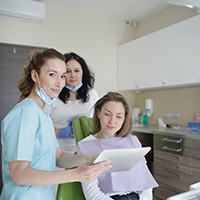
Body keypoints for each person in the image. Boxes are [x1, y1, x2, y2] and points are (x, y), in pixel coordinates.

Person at [0, 48, 111, 200]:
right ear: (35, 75)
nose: (59, 83)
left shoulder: (43, 114)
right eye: (52, 74)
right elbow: (19, 174)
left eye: (62, 76)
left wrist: (90, 158)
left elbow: (58, 157)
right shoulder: (25, 113)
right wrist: (74, 175)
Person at [78, 92, 158, 200]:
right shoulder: (86, 146)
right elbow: (91, 193)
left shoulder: (132, 141)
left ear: (125, 118)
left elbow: (145, 184)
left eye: (119, 116)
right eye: (107, 114)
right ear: (98, 113)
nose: (112, 121)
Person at [45, 52, 99, 153]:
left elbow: (99, 120)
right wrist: (60, 132)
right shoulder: (52, 96)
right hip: (58, 151)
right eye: (68, 71)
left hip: (86, 150)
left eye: (77, 71)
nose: (73, 75)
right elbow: (42, 129)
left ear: (83, 72)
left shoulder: (92, 94)